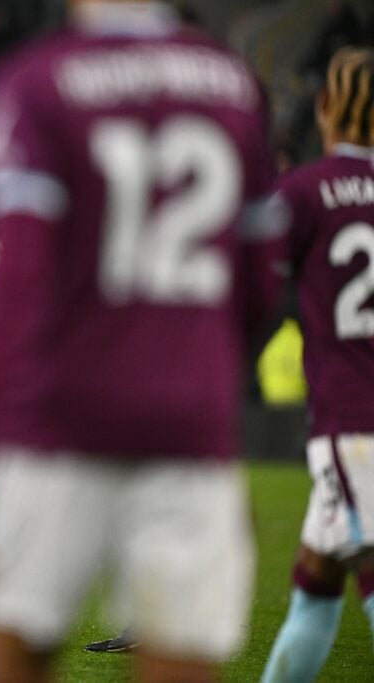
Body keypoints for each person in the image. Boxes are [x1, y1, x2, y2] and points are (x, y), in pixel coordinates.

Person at [0, 1, 284, 681]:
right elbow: (259, 280)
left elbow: (20, 281)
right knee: (181, 661)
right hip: (188, 427)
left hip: (58, 423)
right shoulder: (232, 81)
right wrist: (200, 379)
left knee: (19, 656)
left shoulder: (36, 79)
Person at [261, 46, 374, 683]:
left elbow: (253, 285)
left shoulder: (305, 191)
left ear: (324, 106)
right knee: (316, 584)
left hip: (354, 422)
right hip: (356, 430)